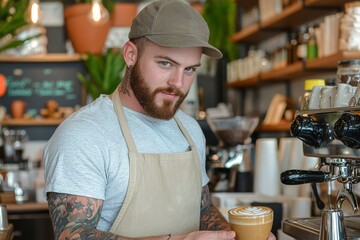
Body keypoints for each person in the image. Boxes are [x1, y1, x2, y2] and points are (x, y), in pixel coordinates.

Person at [44, 0, 276, 239]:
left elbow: (203, 209)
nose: (178, 83)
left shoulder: (190, 129)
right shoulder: (84, 134)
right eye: (166, 63)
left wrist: (234, 236)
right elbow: (72, 234)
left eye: (189, 70)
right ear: (131, 54)